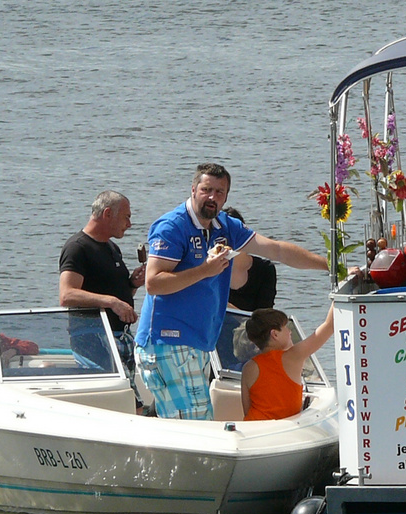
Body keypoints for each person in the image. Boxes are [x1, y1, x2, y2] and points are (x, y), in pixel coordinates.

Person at [135, 163, 328, 420]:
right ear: (193, 189)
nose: (212, 197)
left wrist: (331, 266)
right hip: (167, 342)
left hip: (199, 343)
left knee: (188, 422)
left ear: (226, 196)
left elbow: (277, 250)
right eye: (206, 190)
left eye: (220, 192)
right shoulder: (172, 227)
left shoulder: (226, 227)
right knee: (196, 424)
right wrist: (205, 269)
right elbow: (154, 282)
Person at [58, 190, 144, 331]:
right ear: (107, 214)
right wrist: (111, 302)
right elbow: (67, 295)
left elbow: (116, 292)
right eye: (126, 217)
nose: (129, 224)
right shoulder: (77, 247)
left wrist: (133, 284)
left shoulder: (112, 248)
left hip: (120, 336)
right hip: (91, 339)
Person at [240, 306, 334, 421]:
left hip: (252, 426)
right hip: (280, 432)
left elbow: (247, 409)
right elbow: (329, 325)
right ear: (275, 334)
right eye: (285, 327)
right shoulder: (293, 357)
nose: (290, 332)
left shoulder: (248, 367)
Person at [223, 206, 277, 311]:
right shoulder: (209, 267)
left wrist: (223, 306)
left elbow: (264, 315)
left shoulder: (265, 269)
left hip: (252, 327)